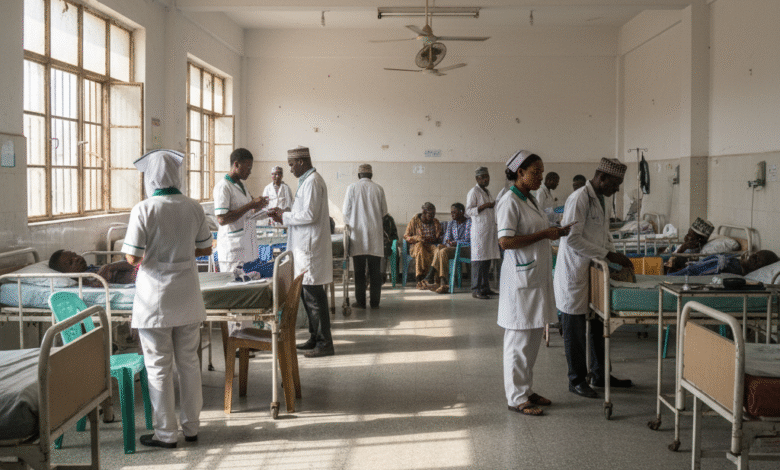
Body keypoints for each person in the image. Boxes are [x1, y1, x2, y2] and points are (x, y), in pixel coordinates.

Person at [121, 150, 213, 449]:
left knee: (158, 366)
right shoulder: (193, 207)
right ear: (176, 175)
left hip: (155, 299)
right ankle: (192, 427)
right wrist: (181, 252)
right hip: (187, 296)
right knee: (189, 363)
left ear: (150, 178)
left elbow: (132, 257)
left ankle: (165, 434)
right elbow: (205, 250)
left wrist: (155, 254)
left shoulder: (144, 209)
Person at [498, 150, 572, 416]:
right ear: (520, 173)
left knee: (531, 338)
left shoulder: (530, 198)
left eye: (541, 171)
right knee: (518, 339)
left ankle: (526, 389)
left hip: (534, 277)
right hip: (520, 280)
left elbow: (536, 230)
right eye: (536, 172)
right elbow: (505, 241)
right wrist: (544, 234)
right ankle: (516, 397)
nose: (541, 176)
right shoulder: (509, 201)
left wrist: (555, 231)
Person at [553, 157, 634, 399]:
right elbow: (572, 239)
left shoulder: (602, 199)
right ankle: (576, 380)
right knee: (575, 328)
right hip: (575, 271)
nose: (616, 189)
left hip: (595, 270)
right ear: (602, 177)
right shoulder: (579, 198)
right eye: (615, 184)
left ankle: (600, 374)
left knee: (600, 324)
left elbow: (604, 233)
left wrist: (614, 256)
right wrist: (608, 255)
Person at [268, 147, 334, 358]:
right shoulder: (306, 181)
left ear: (302, 162)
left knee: (314, 297)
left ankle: (325, 343)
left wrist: (285, 217)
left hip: (310, 248)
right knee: (308, 295)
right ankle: (315, 337)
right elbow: (302, 212)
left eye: (291, 165)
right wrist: (284, 214)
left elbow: (310, 215)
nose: (290, 169)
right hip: (304, 247)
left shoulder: (313, 181)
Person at [342, 164, 388, 309]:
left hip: (358, 236)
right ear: (371, 175)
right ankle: (375, 302)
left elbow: (345, 212)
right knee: (375, 272)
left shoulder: (352, 188)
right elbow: (384, 212)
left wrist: (352, 223)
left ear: (358, 175)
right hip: (375, 237)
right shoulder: (379, 189)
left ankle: (361, 302)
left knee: (359, 272)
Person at [466, 167, 501, 299]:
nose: (486, 180)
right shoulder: (473, 192)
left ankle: (485, 288)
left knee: (486, 260)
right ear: (477, 179)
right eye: (483, 177)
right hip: (479, 232)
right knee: (478, 261)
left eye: (487, 177)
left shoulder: (487, 192)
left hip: (488, 231)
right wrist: (485, 206)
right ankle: (476, 289)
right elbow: (468, 211)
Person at [424, 203, 471, 294]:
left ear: (462, 212)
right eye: (451, 212)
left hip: (465, 249)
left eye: (454, 212)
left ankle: (433, 277)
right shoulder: (451, 223)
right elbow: (446, 238)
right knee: (439, 248)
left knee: (443, 251)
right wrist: (448, 242)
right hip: (453, 249)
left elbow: (468, 239)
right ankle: (442, 283)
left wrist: (456, 242)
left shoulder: (469, 222)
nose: (452, 214)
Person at [403, 202, 443, 290]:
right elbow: (406, 236)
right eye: (430, 214)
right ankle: (420, 279)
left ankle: (432, 279)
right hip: (417, 246)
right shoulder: (414, 220)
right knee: (420, 247)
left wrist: (437, 237)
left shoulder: (435, 221)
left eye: (434, 214)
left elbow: (439, 236)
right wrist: (418, 238)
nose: (432, 217)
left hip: (431, 245)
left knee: (438, 250)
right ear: (424, 212)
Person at [49, 249, 136, 285]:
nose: (77, 258)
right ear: (65, 273)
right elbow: (96, 285)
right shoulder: (82, 281)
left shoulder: (91, 268)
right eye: (71, 262)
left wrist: (109, 267)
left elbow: (130, 264)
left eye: (75, 255)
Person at [668, 250, 779, 277]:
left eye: (758, 260)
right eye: (755, 254)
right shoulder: (731, 260)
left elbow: (696, 272)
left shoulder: (733, 268)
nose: (753, 258)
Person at [382, 213, 399, 283]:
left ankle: (393, 277)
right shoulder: (373, 218)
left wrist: (389, 240)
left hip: (388, 244)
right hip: (376, 245)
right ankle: (381, 276)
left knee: (387, 251)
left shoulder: (389, 219)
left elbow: (395, 235)